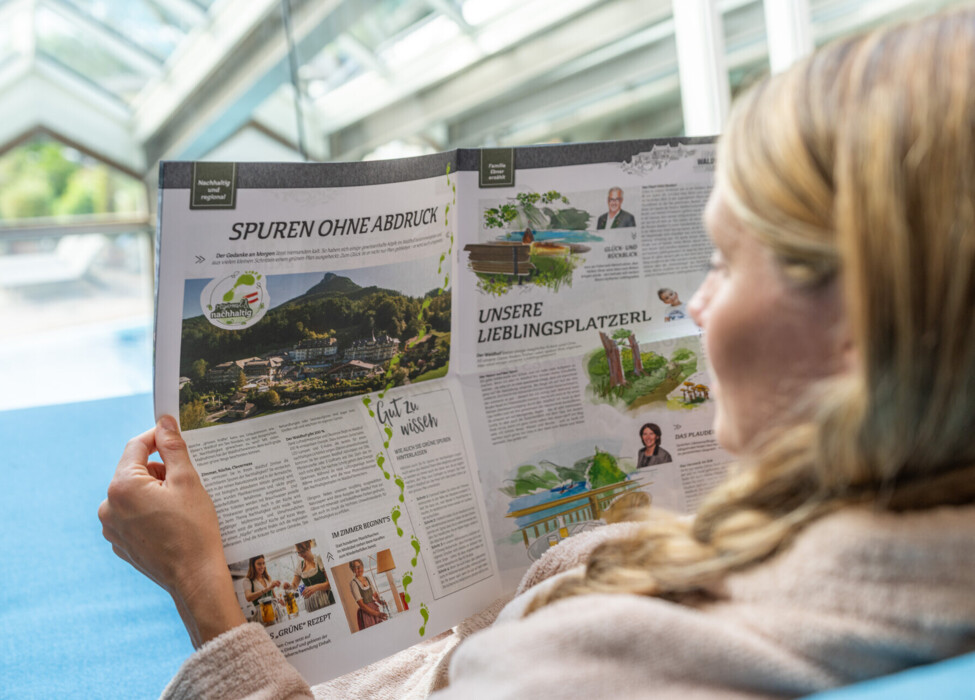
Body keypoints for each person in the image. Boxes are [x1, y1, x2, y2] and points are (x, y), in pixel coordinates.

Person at [99, 10, 975, 698]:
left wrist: (201, 593)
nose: (698, 307)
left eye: (724, 260)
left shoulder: (600, 665)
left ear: (865, 333)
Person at [286, 541, 334, 613]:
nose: (301, 555)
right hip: (310, 605)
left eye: (302, 551)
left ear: (309, 547)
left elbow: (331, 583)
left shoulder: (320, 560)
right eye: (298, 552)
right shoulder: (300, 566)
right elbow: (294, 585)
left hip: (326, 600)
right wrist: (288, 586)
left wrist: (316, 587)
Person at [348, 559, 387, 630]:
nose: (359, 569)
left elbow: (375, 595)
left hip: (375, 609)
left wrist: (381, 602)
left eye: (360, 566)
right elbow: (361, 605)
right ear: (353, 570)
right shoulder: (353, 583)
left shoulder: (367, 578)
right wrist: (378, 614)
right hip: (366, 612)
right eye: (356, 567)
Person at [243, 555, 281, 626]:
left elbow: (274, 597)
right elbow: (248, 597)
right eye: (259, 564)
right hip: (262, 615)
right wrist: (267, 589)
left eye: (263, 563)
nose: (262, 566)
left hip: (275, 612)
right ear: (252, 565)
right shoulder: (247, 580)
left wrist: (280, 600)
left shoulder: (267, 577)